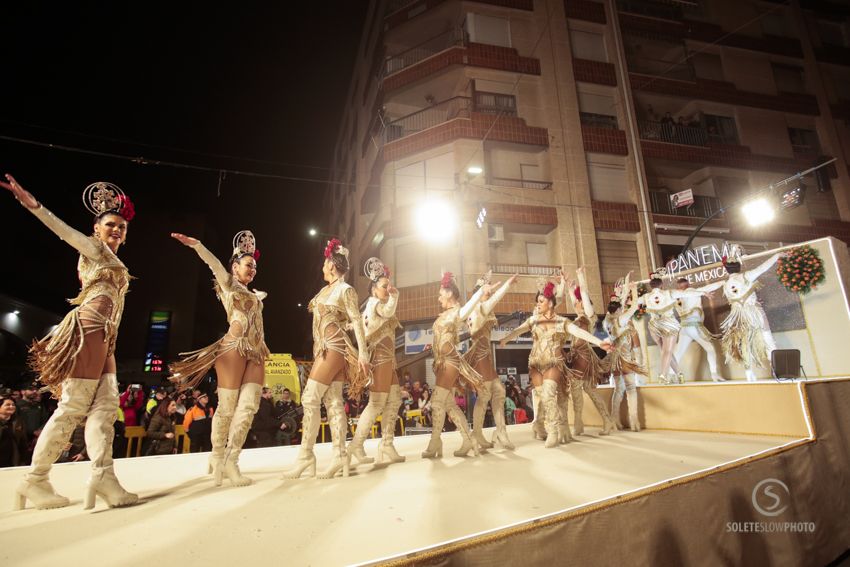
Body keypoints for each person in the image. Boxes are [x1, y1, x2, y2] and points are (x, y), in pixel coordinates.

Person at [3, 176, 138, 511]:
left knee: (106, 408)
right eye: (110, 224)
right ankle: (35, 479)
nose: (117, 230)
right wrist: (32, 204)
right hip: (89, 329)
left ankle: (103, 475)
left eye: (121, 226)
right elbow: (63, 230)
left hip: (106, 337)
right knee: (74, 407)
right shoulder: (93, 248)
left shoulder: (116, 260)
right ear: (96, 229)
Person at [169, 230, 269, 487]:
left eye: (255, 266)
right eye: (249, 265)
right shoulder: (227, 283)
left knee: (248, 408)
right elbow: (213, 263)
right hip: (233, 349)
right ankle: (216, 456)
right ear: (235, 267)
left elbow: (256, 320)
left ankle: (231, 460)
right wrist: (198, 245)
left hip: (256, 352)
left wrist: (258, 302)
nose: (253, 269)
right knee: (226, 409)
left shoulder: (251, 293)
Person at [284, 239, 369, 479]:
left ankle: (305, 456)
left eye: (325, 261)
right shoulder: (326, 290)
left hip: (334, 347)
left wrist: (362, 353)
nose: (322, 265)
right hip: (324, 348)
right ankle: (339, 457)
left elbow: (356, 320)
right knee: (332, 402)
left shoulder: (345, 289)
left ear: (331, 264)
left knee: (310, 397)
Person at [500, 277, 613, 448]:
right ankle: (539, 424)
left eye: (541, 301)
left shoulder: (563, 322)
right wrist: (505, 339)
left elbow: (578, 332)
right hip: (536, 363)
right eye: (537, 301)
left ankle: (553, 430)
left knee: (549, 394)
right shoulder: (533, 320)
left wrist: (598, 342)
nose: (538, 304)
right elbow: (518, 329)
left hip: (554, 362)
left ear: (550, 303)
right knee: (543, 399)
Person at [348, 258, 405, 468]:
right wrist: (395, 296)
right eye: (384, 287)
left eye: (389, 286)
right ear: (373, 289)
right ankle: (356, 444)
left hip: (388, 361)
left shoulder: (376, 304)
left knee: (395, 400)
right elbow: (388, 311)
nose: (388, 290)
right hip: (380, 359)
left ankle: (387, 444)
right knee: (377, 403)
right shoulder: (375, 305)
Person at [465, 272, 518, 450]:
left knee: (498, 392)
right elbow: (494, 300)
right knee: (486, 394)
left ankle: (498, 432)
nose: (488, 292)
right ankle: (478, 434)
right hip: (480, 356)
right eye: (485, 290)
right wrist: (508, 285)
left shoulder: (479, 308)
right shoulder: (479, 308)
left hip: (484, 355)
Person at [565, 267, 617, 436]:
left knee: (578, 387)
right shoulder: (579, 315)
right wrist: (569, 288)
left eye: (579, 301)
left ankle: (580, 422)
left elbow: (584, 295)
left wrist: (580, 277)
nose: (577, 302)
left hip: (583, 356)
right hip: (576, 354)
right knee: (589, 389)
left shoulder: (589, 315)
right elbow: (575, 300)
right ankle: (606, 421)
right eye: (577, 301)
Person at [719, 247, 782, 381]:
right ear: (739, 266)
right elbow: (763, 268)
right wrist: (776, 256)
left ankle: (749, 373)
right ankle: (777, 371)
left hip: (739, 316)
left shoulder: (726, 284)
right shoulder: (745, 276)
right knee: (768, 339)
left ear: (726, 269)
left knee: (745, 343)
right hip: (754, 312)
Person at [636, 268, 709, 384]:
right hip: (668, 324)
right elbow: (687, 293)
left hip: (654, 326)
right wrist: (703, 293)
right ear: (661, 285)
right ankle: (663, 376)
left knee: (664, 351)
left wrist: (626, 292)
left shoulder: (644, 297)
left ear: (651, 285)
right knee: (668, 351)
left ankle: (679, 373)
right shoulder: (669, 293)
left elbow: (633, 304)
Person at [605, 279, 647, 432]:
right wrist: (634, 290)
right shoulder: (622, 320)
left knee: (618, 390)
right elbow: (634, 306)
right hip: (625, 359)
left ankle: (614, 420)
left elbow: (621, 305)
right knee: (631, 388)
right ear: (618, 310)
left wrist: (620, 293)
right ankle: (634, 420)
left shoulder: (607, 322)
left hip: (615, 360)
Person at [673, 277, 725, 381]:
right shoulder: (694, 291)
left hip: (684, 328)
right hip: (694, 326)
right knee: (710, 348)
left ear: (679, 287)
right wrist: (723, 281)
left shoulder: (676, 296)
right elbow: (710, 286)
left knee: (678, 354)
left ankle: (670, 376)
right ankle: (714, 375)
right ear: (688, 284)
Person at [0, 396, 29, 468]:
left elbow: (23, 442)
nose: (11, 407)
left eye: (13, 405)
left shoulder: (18, 422)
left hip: (12, 460)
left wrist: (23, 461)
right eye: (7, 405)